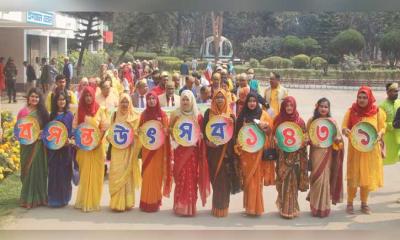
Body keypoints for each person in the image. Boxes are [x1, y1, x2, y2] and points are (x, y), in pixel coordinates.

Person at [342, 86, 386, 215]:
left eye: (364, 97)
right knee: (353, 175)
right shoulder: (351, 111)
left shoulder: (377, 111)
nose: (361, 100)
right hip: (355, 150)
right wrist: (345, 131)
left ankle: (364, 203)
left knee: (366, 176)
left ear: (370, 98)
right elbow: (344, 127)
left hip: (370, 151)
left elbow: (383, 127)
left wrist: (380, 133)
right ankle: (349, 203)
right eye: (359, 97)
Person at [170, 90, 210, 216]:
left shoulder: (198, 116)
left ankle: (190, 207)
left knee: (191, 178)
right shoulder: (175, 114)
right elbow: (171, 130)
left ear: (192, 100)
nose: (185, 102)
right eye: (183, 99)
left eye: (188, 99)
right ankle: (179, 206)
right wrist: (174, 136)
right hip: (180, 150)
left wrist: (201, 137)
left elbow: (202, 133)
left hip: (192, 152)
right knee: (180, 177)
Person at [234, 92, 274, 216]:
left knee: (257, 181)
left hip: (259, 152)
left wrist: (266, 128)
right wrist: (238, 147)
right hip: (246, 153)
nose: (252, 103)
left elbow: (270, 132)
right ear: (247, 102)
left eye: (254, 101)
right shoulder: (242, 116)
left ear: (257, 102)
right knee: (248, 180)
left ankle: (256, 208)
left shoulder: (264, 115)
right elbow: (238, 134)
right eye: (250, 101)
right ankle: (249, 207)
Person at [203, 89, 241, 217]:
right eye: (217, 97)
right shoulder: (208, 113)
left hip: (226, 155)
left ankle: (222, 208)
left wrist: (232, 124)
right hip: (212, 154)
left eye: (222, 97)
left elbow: (234, 136)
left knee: (224, 183)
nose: (219, 99)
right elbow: (204, 133)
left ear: (226, 99)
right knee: (216, 182)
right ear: (213, 99)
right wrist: (208, 143)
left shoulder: (231, 116)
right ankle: (216, 207)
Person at [73, 87, 110, 212]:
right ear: (83, 97)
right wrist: (78, 141)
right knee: (85, 175)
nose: (88, 98)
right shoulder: (79, 110)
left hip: (97, 148)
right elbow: (75, 127)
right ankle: (83, 201)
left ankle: (93, 202)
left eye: (90, 95)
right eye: (86, 96)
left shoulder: (100, 109)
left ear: (94, 96)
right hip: (84, 149)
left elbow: (105, 126)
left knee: (96, 175)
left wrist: (98, 141)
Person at [306, 98, 344, 217]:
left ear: (329, 109)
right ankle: (314, 207)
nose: (323, 109)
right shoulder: (312, 121)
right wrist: (310, 142)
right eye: (321, 106)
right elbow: (306, 136)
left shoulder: (332, 122)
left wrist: (338, 141)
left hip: (327, 155)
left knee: (324, 180)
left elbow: (339, 141)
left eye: (326, 107)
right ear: (317, 107)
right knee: (315, 179)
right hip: (315, 153)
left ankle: (323, 208)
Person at [274, 96, 309, 219]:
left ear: (294, 107)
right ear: (283, 107)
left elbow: (305, 138)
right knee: (283, 181)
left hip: (296, 158)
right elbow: (275, 137)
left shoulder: (300, 122)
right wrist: (276, 143)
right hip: (282, 157)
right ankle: (284, 206)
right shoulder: (278, 120)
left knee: (293, 182)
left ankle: (291, 209)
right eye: (286, 106)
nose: (289, 108)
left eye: (291, 106)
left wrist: (304, 142)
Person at [139, 92, 172, 212]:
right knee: (147, 175)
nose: (151, 101)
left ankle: (155, 201)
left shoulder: (162, 115)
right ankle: (145, 202)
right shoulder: (143, 115)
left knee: (157, 176)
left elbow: (167, 132)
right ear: (146, 101)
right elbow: (140, 131)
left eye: (154, 98)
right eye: (149, 99)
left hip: (158, 151)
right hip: (147, 150)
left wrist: (166, 131)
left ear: (157, 100)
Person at [108, 93, 141, 211]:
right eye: (122, 101)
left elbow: (138, 134)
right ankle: (116, 203)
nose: (125, 104)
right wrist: (109, 138)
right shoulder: (114, 115)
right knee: (115, 173)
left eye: (127, 102)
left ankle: (127, 202)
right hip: (117, 150)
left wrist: (134, 138)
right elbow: (111, 132)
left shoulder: (135, 117)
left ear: (130, 103)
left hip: (129, 151)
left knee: (127, 177)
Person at [17, 87, 49, 208]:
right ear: (28, 98)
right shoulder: (23, 112)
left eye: (37, 97)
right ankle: (27, 198)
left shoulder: (43, 112)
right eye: (32, 96)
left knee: (39, 170)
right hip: (26, 146)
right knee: (27, 170)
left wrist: (42, 133)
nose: (34, 99)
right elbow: (18, 128)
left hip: (39, 146)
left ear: (39, 99)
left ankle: (40, 197)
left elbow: (47, 129)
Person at [47, 90, 74, 207]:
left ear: (66, 101)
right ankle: (54, 199)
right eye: (59, 99)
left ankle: (64, 199)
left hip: (65, 149)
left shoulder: (70, 115)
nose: (61, 102)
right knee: (54, 174)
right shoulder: (51, 115)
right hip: (53, 150)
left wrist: (70, 140)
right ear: (55, 101)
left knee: (64, 174)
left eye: (63, 99)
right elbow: (47, 131)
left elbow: (73, 132)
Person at [379, 83, 400, 165]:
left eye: (397, 91)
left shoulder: (399, 103)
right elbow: (381, 124)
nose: (396, 93)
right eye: (394, 91)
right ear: (388, 92)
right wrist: (393, 125)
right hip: (389, 139)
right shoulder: (382, 106)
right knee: (386, 162)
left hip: (399, 137)